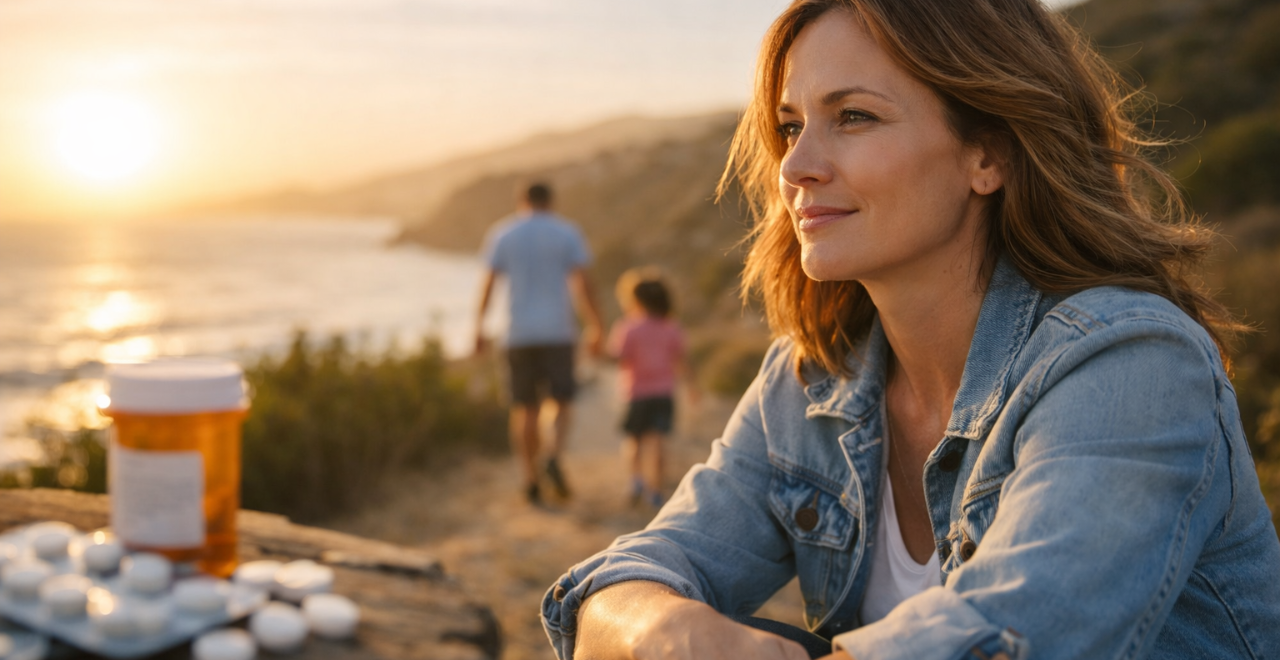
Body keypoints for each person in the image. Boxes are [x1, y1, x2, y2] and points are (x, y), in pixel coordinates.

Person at [541, 1, 1280, 659]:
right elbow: (623, 583)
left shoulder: (1131, 362)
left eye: (854, 116)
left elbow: (1018, 635)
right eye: (791, 126)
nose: (795, 165)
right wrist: (660, 632)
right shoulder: (813, 376)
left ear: (987, 154)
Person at [475, 182, 604, 505]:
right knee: (561, 400)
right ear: (551, 201)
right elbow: (582, 284)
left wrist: (478, 327)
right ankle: (552, 453)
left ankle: (530, 478)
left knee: (525, 409)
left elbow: (489, 284)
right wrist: (596, 326)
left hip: (517, 334)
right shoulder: (566, 232)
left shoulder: (503, 233)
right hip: (558, 332)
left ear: (522, 201)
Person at [607, 268, 691, 509]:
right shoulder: (671, 327)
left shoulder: (629, 328)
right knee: (657, 441)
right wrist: (692, 388)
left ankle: (636, 481)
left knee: (634, 440)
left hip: (636, 393)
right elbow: (682, 359)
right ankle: (656, 490)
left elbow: (619, 358)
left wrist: (597, 353)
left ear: (634, 301)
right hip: (663, 393)